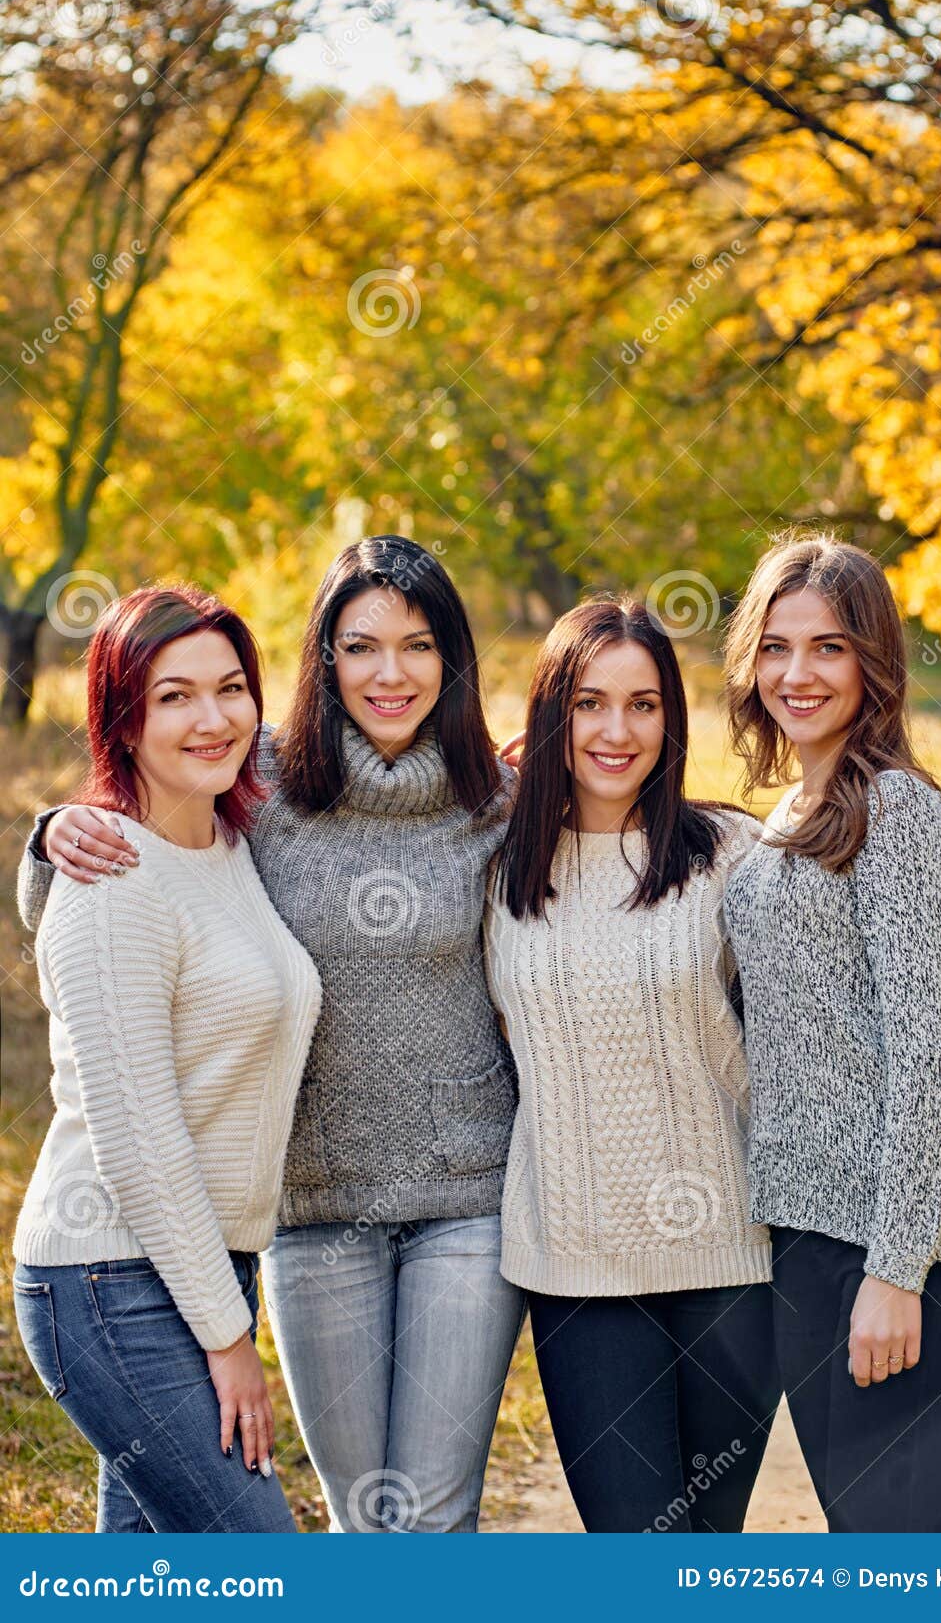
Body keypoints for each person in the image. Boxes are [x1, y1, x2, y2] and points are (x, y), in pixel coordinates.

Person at [18, 539, 525, 1534]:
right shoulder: (261, 780)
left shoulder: (492, 800)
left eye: (419, 646)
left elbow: (617, 828)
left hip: (444, 1203)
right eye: (360, 645)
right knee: (312, 1532)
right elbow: (113, 879)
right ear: (321, 659)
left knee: (409, 1521)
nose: (391, 672)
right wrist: (48, 837)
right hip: (274, 1222)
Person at [721, 534, 941, 1533]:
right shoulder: (784, 815)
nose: (797, 673)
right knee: (867, 1538)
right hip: (808, 1238)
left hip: (911, 1248)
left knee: (895, 1540)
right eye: (776, 646)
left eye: (829, 647)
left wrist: (896, 1273)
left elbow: (923, 1044)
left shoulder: (895, 809)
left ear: (874, 663)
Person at [13, 586, 322, 1532]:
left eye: (231, 688)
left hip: (203, 1264)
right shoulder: (110, 882)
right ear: (124, 720)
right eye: (174, 696)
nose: (213, 717)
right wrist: (232, 1344)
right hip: (107, 1278)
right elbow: (138, 1142)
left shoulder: (229, 841)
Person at [484, 597, 780, 1532]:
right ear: (551, 713)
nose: (618, 731)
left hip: (732, 1255)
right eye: (588, 703)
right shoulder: (492, 863)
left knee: (707, 1554)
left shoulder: (731, 852)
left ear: (672, 718)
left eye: (644, 704)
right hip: (578, 1263)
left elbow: (828, 1010)